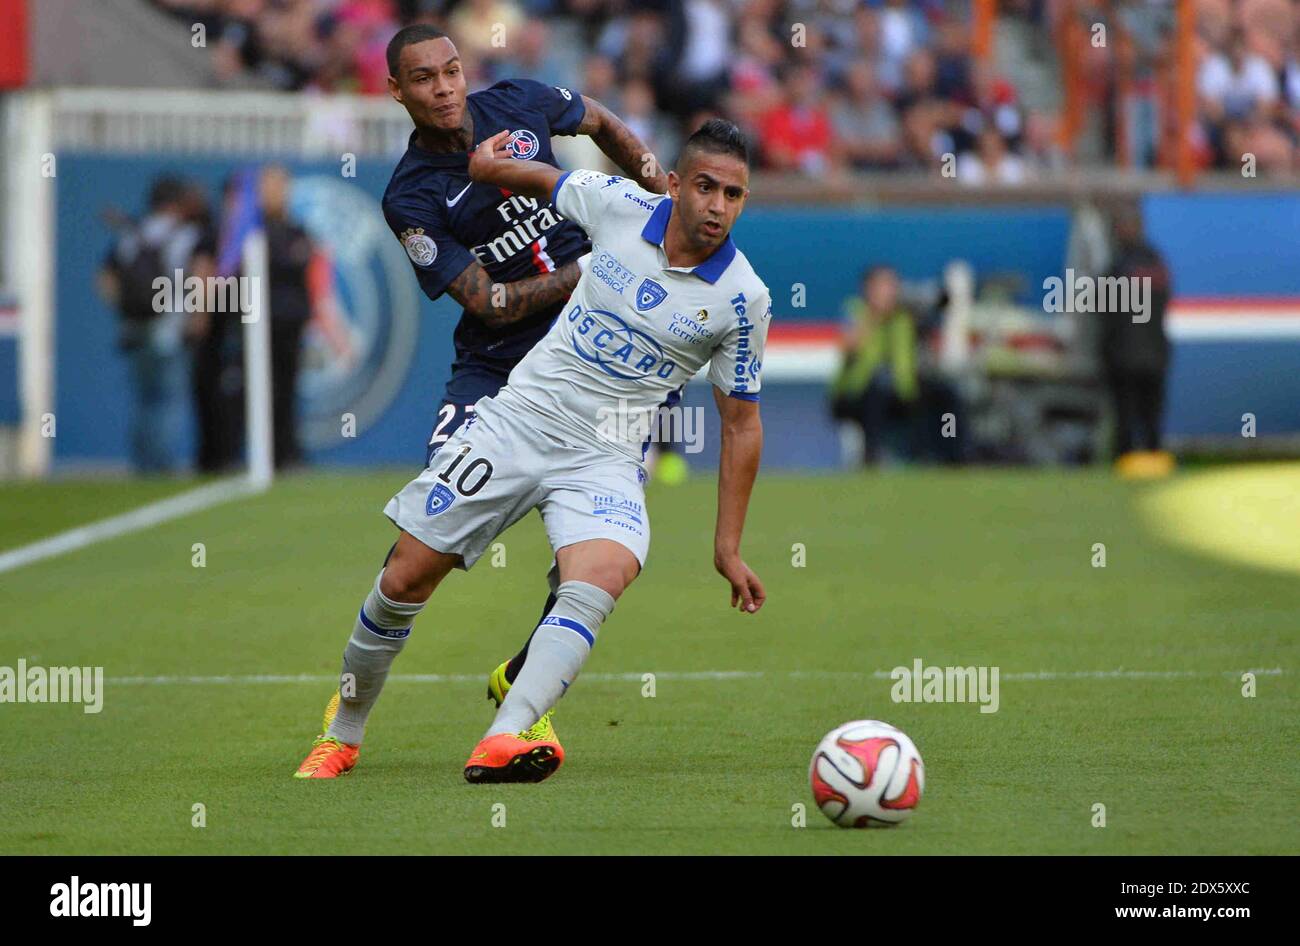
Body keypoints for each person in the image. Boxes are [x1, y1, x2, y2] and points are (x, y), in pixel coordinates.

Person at [294, 119, 771, 783]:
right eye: (706, 187)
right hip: (517, 422)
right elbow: (552, 179)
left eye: (734, 195)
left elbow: (741, 423)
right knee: (404, 576)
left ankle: (505, 736)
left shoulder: (743, 300)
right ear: (672, 184)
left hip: (604, 457)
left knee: (603, 573)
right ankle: (343, 733)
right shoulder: (620, 205)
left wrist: (728, 547)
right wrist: (489, 171)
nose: (718, 206)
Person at [376, 24, 668, 755]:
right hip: (497, 371)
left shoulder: (519, 102)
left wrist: (655, 186)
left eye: (450, 71)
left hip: (594, 368)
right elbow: (492, 304)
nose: (443, 88)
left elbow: (597, 118)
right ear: (398, 91)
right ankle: (350, 703)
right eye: (424, 78)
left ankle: (525, 683)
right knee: (422, 545)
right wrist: (601, 265)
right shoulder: (411, 196)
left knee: (594, 559)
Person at [99, 176, 206, 475]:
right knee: (169, 398)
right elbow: (198, 279)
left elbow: (106, 280)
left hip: (135, 328)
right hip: (171, 328)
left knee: (144, 399)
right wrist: (196, 316)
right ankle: (161, 464)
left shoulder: (131, 234)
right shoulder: (186, 235)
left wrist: (126, 310)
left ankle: (143, 464)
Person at [1099, 205, 1171, 458]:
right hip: (1155, 353)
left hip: (1124, 356)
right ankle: (1154, 462)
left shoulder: (1118, 266)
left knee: (1126, 418)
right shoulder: (1157, 262)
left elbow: (1104, 312)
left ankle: (1127, 463)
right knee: (1151, 418)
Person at [258, 165, 316, 470]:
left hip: (290, 321)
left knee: (287, 387)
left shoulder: (296, 230)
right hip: (258, 323)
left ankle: (286, 452)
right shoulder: (252, 230)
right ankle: (264, 452)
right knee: (262, 388)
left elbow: (303, 259)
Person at [829, 266, 919, 464]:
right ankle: (871, 458)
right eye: (882, 286)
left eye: (892, 286)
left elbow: (908, 360)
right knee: (875, 391)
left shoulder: (903, 319)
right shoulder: (855, 311)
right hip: (855, 393)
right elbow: (848, 346)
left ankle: (952, 460)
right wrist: (872, 318)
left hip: (900, 392)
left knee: (944, 393)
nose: (888, 292)